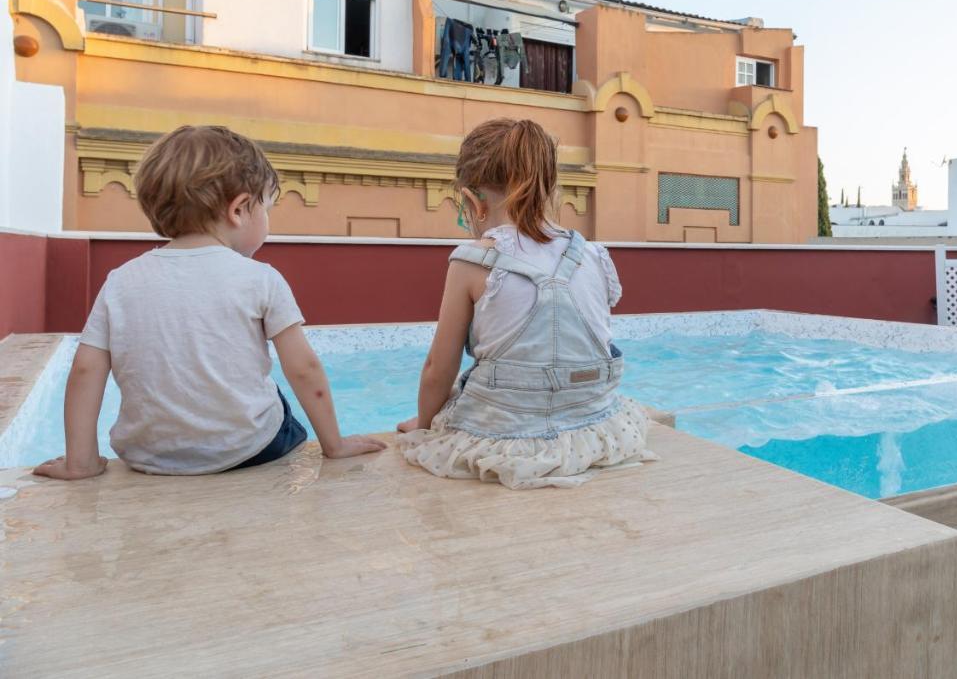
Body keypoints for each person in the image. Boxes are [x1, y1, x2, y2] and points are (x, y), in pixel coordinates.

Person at [33, 125, 385, 480]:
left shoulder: (121, 281)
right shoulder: (261, 279)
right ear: (239, 210)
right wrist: (334, 444)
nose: (267, 221)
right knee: (274, 397)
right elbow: (303, 369)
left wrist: (81, 461)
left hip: (148, 453)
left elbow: (85, 370)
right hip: (250, 450)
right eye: (267, 208)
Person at [397, 118, 655, 489]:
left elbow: (438, 367)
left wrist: (423, 426)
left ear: (472, 202)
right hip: (594, 424)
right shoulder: (593, 255)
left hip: (507, 432)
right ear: (551, 189)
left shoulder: (472, 260)